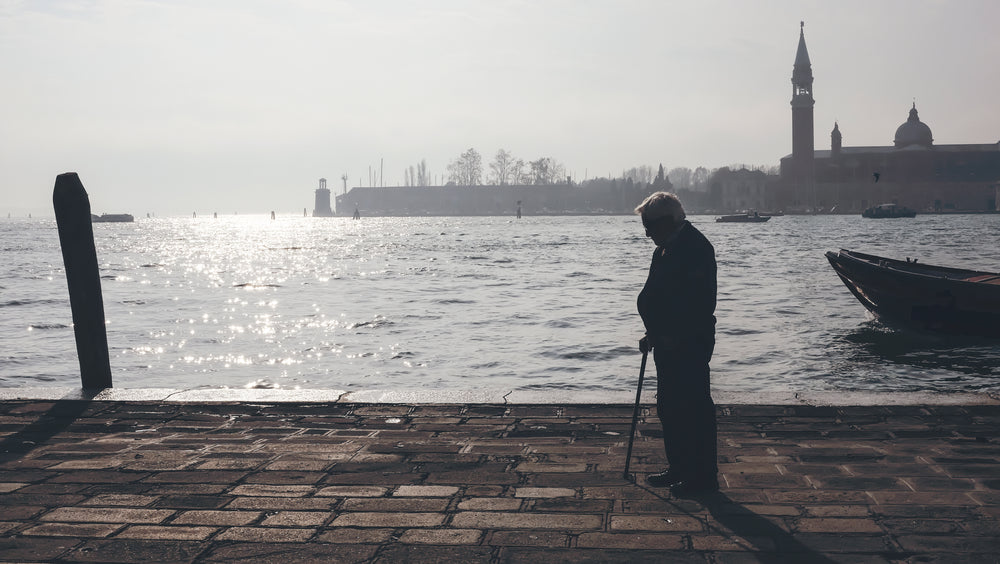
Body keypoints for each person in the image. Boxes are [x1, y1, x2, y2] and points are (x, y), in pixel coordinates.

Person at [635, 192, 719, 495]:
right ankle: (680, 467)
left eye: (650, 227)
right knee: (669, 407)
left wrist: (672, 334)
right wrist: (653, 332)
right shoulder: (665, 249)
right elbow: (659, 296)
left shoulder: (696, 248)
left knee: (693, 408)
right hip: (666, 341)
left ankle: (703, 477)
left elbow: (697, 304)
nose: (647, 234)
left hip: (689, 342)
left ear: (668, 222)